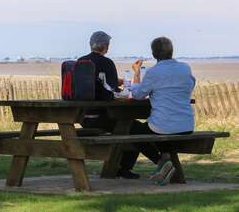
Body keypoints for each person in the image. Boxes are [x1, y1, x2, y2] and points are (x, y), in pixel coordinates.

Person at [129, 37, 196, 185]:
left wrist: (136, 73)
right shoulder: (185, 68)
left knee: (133, 132)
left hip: (163, 126)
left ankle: (163, 162)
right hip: (186, 125)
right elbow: (191, 84)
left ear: (154, 54)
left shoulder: (154, 72)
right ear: (172, 52)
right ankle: (166, 163)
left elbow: (137, 95)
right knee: (162, 130)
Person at [79, 31, 142, 179]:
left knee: (127, 128)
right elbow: (112, 90)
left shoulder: (80, 62)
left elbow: (99, 84)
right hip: (101, 117)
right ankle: (124, 169)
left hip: (82, 116)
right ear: (106, 46)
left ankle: (118, 168)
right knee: (137, 129)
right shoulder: (106, 63)